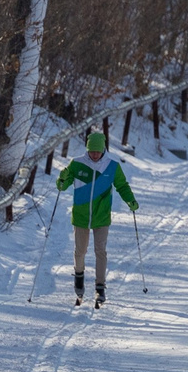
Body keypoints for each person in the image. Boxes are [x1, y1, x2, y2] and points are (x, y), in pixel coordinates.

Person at [51, 127, 137, 306]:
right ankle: (79, 282)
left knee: (100, 251)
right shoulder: (77, 164)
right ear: (87, 149)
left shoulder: (112, 166)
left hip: (101, 216)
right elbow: (62, 186)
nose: (95, 155)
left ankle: (100, 288)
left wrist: (130, 200)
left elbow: (122, 186)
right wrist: (62, 177)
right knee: (80, 251)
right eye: (92, 151)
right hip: (81, 216)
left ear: (103, 149)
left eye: (98, 151)